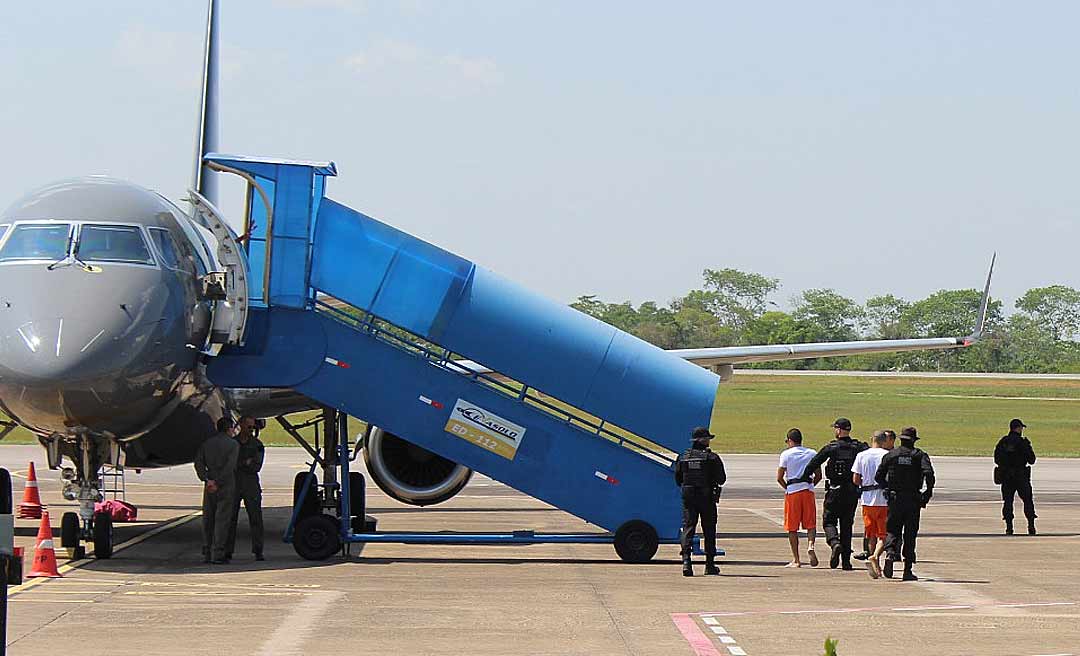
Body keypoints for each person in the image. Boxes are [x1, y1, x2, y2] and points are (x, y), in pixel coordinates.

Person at [800, 418, 868, 570]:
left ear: (838, 430)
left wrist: (805, 477)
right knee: (847, 525)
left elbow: (814, 463)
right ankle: (846, 562)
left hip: (834, 490)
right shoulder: (858, 447)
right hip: (851, 491)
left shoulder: (832, 447)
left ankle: (834, 543)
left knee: (829, 521)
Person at [875, 426, 935, 581]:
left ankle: (890, 554)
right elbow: (929, 474)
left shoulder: (892, 455)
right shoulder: (919, 456)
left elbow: (879, 476)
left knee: (892, 530)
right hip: (913, 499)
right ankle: (907, 569)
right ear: (914, 440)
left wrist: (887, 489)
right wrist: (927, 493)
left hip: (895, 499)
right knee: (910, 534)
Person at [675, 427, 726, 577]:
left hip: (689, 497)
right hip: (706, 497)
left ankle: (686, 563)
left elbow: (678, 479)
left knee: (688, 528)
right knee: (709, 529)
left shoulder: (683, 457)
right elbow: (721, 479)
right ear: (703, 440)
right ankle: (709, 564)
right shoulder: (712, 458)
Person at [194, 416, 240, 564]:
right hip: (225, 484)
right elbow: (230, 467)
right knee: (222, 519)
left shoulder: (207, 443)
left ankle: (206, 551)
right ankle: (218, 552)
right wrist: (218, 482)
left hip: (209, 484)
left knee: (208, 519)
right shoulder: (233, 445)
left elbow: (199, 463)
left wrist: (207, 480)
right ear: (229, 429)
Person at [852, 429, 894, 578]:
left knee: (871, 534)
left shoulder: (861, 455)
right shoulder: (887, 456)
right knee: (884, 535)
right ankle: (875, 556)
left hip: (867, 499)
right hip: (883, 499)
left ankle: (873, 559)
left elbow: (856, 479)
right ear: (885, 441)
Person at [777, 428, 821, 567]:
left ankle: (796, 559)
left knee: (792, 527)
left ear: (790, 441)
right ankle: (811, 545)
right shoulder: (811, 453)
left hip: (793, 492)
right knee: (810, 523)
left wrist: (788, 487)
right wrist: (811, 485)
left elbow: (779, 477)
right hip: (807, 490)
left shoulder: (786, 454)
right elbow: (819, 475)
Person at [226, 415, 266, 561]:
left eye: (252, 427)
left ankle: (258, 550)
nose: (251, 430)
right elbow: (229, 465)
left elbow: (256, 466)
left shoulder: (257, 444)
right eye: (248, 427)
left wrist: (240, 464)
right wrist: (245, 462)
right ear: (241, 426)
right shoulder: (232, 443)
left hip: (250, 485)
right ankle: (227, 550)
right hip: (234, 484)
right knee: (230, 519)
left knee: (256, 518)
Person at [994, 418, 1037, 535]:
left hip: (1007, 476)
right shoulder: (1022, 442)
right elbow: (1032, 460)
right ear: (1018, 428)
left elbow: (996, 459)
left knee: (1008, 501)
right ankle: (1031, 526)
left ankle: (1009, 527)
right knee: (1027, 500)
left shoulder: (1003, 442)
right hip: (1021, 476)